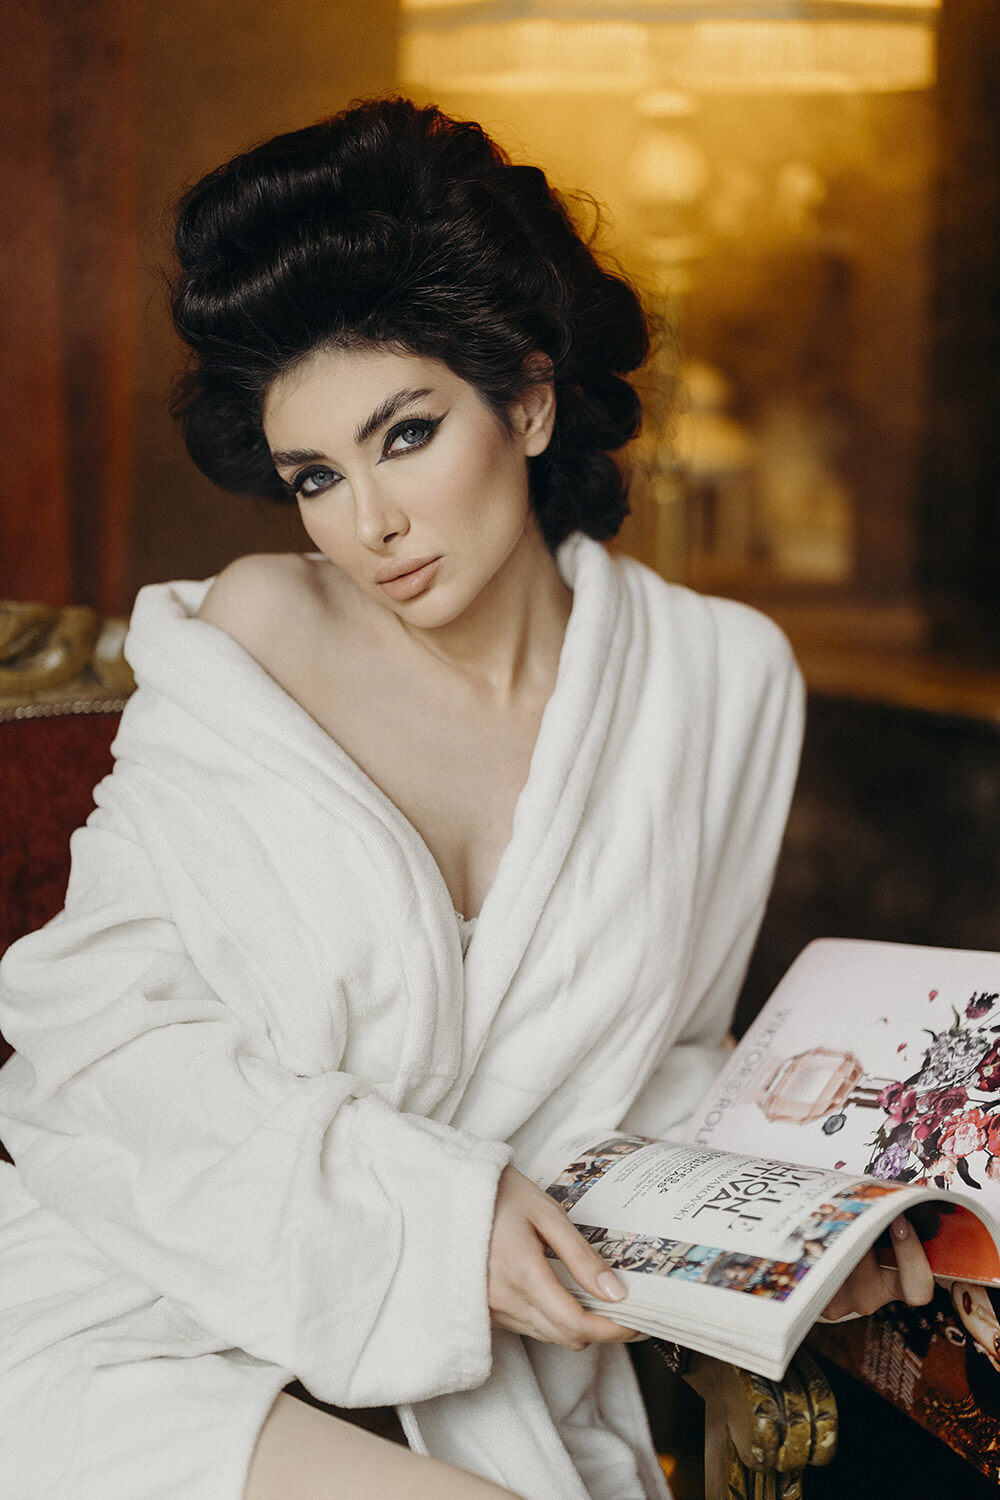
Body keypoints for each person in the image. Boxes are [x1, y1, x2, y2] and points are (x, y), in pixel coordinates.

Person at [0, 97, 933, 1500]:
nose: (366, 523)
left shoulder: (714, 680)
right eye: (316, 475)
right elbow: (100, 1032)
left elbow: (672, 1062)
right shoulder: (263, 631)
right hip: (138, 1301)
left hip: (499, 1364)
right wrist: (432, 1214)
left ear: (529, 401)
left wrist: (804, 1229)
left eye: (407, 434)